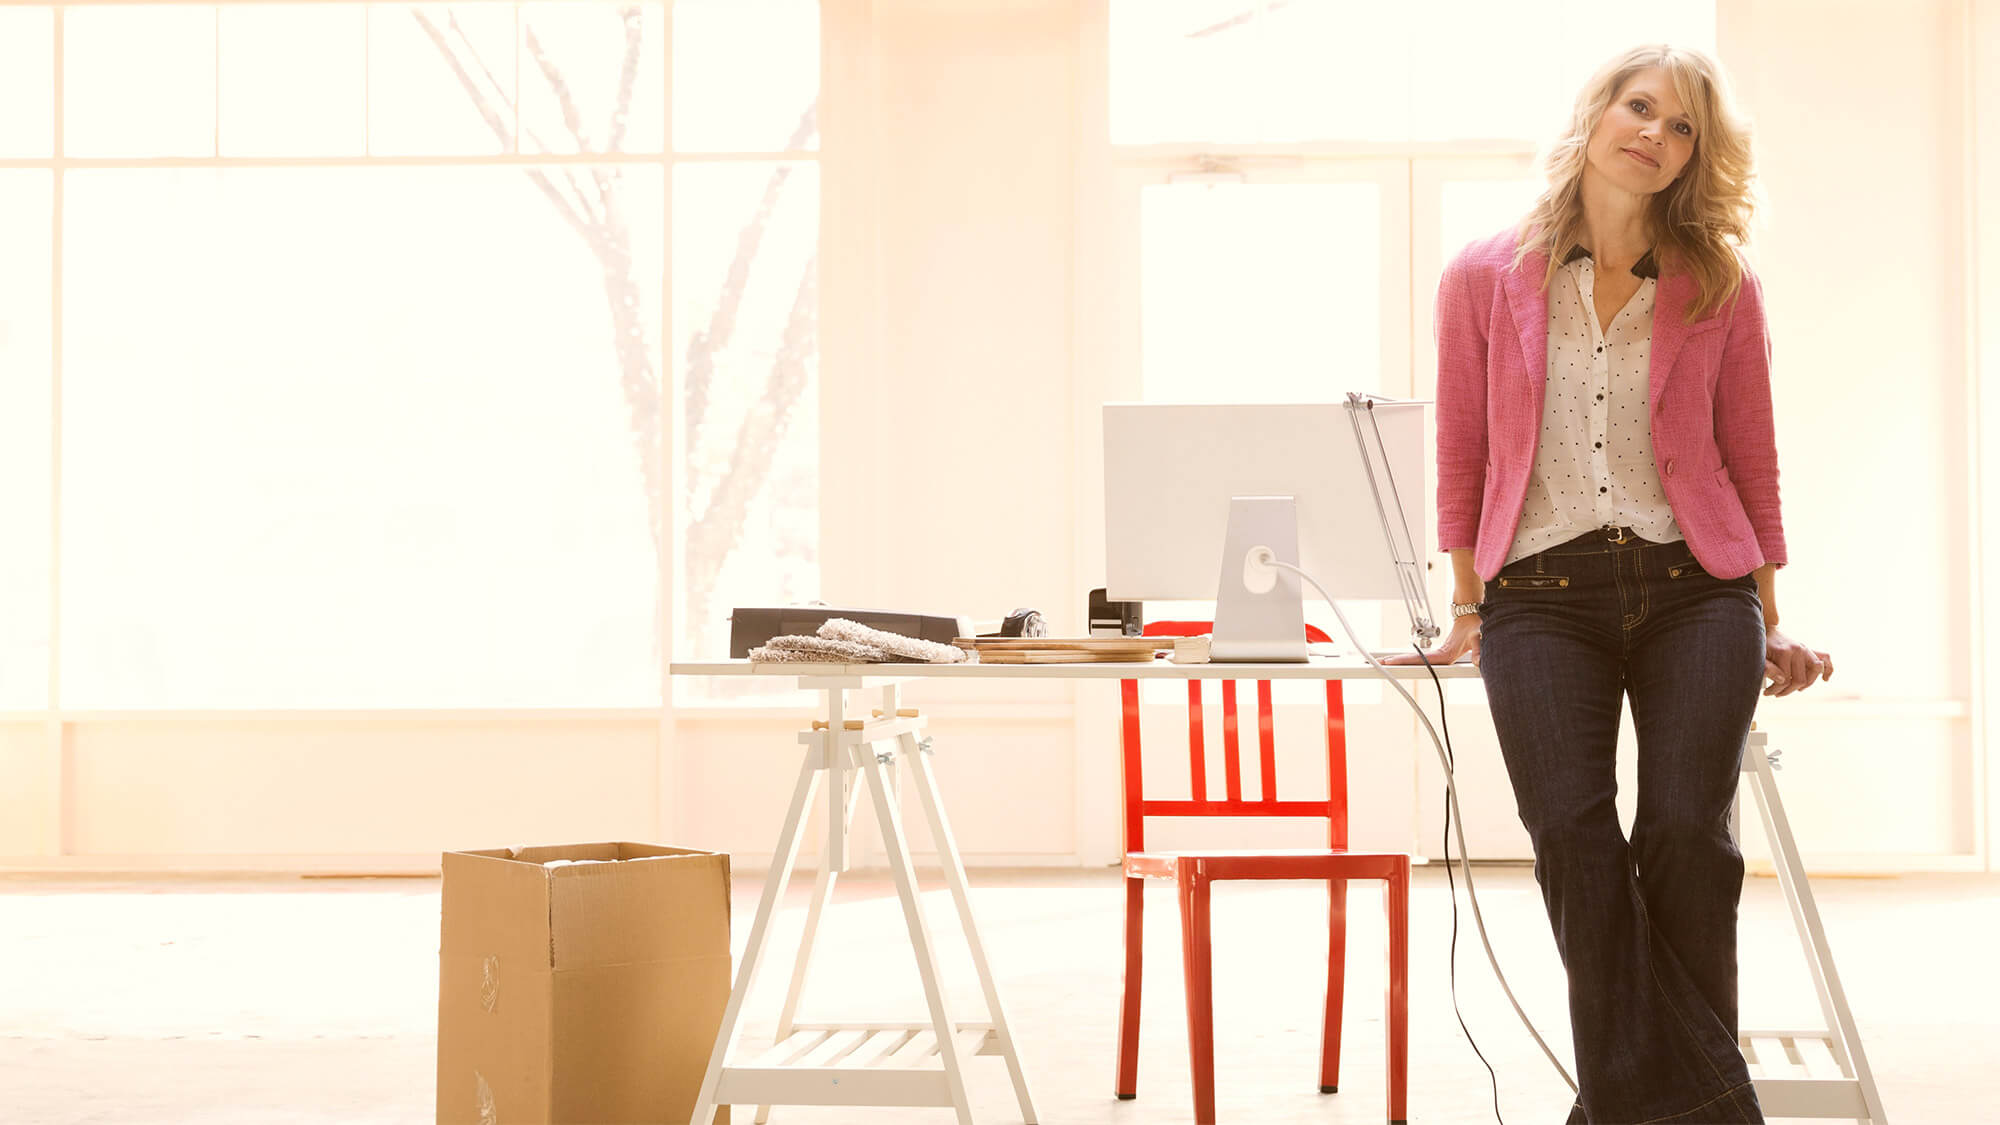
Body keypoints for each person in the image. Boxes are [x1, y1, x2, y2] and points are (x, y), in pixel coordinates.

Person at [1386, 44, 1834, 1124]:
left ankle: (1625, 1107)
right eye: (1640, 108)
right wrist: (1464, 603)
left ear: (1696, 156)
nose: (1654, 135)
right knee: (1572, 836)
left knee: (1687, 834)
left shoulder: (1719, 282)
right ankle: (1706, 1108)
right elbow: (1461, 452)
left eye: (1682, 128)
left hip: (1696, 589)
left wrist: (1769, 614)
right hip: (1540, 593)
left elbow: (1751, 457)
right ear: (1595, 114)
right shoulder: (1481, 275)